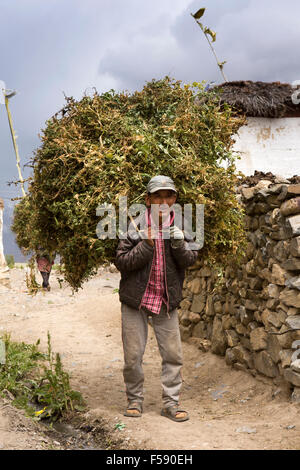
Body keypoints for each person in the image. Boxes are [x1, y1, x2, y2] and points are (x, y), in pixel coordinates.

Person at [115, 175, 200, 422]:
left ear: (174, 199)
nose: (164, 201)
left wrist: (178, 243)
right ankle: (134, 400)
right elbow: (122, 262)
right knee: (132, 357)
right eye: (158, 196)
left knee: (173, 355)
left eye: (169, 196)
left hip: (165, 300)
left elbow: (191, 260)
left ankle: (171, 404)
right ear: (148, 200)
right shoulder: (133, 225)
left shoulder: (183, 225)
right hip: (136, 300)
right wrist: (147, 244)